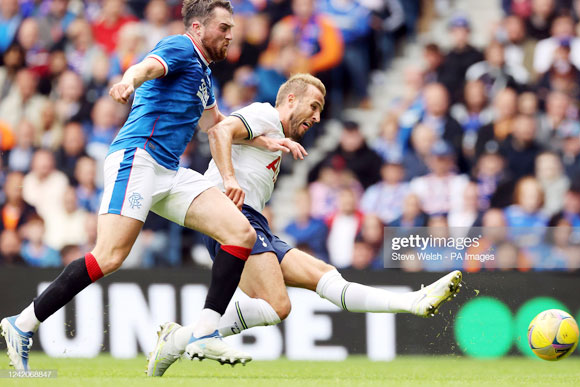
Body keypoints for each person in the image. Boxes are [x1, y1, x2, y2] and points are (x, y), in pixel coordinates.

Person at [1, 0, 295, 371]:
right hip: (137, 158)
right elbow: (146, 67)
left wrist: (264, 139)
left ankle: (204, 331)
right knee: (108, 256)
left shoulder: (204, 75)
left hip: (169, 171)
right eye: (223, 29)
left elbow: (216, 125)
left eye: (231, 30)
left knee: (241, 233)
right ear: (197, 27)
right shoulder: (179, 47)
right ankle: (22, 324)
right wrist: (128, 80)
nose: (229, 36)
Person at [145, 74, 462, 377]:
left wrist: (262, 144)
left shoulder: (271, 134)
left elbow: (235, 134)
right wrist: (229, 178)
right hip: (234, 218)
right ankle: (187, 338)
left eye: (321, 110)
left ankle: (412, 302)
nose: (318, 117)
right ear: (291, 99)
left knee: (327, 278)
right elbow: (219, 131)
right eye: (314, 106)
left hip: (253, 222)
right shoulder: (265, 114)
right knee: (277, 305)